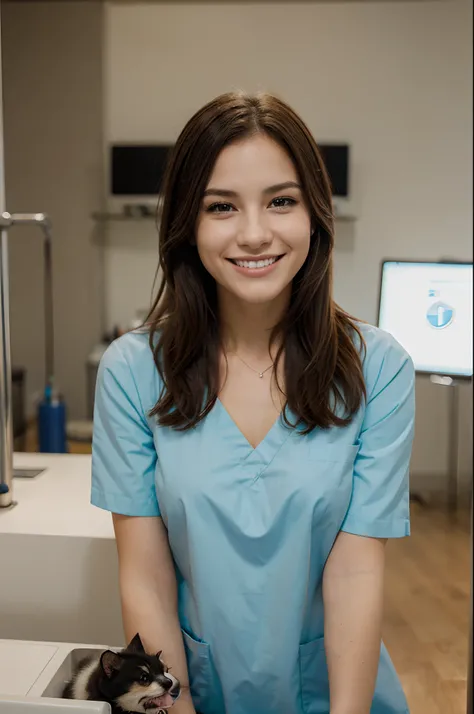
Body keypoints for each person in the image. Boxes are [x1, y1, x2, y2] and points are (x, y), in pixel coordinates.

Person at [91, 91, 415, 714]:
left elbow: (355, 573)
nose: (255, 233)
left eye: (281, 201)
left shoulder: (379, 368)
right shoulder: (133, 372)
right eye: (221, 206)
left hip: (338, 691)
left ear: (314, 214)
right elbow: (147, 578)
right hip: (192, 690)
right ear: (188, 222)